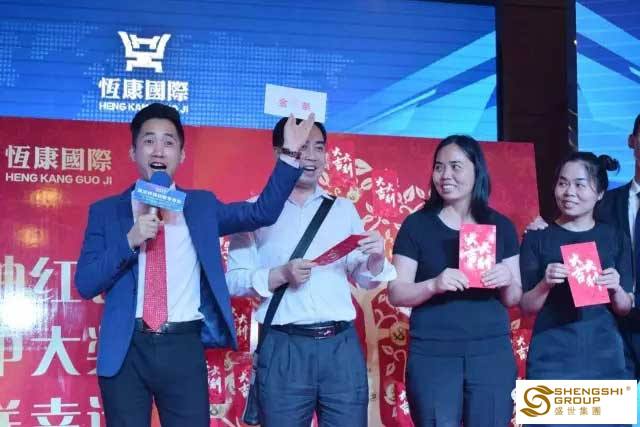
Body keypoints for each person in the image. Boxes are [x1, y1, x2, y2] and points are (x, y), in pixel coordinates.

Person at [74, 103, 315, 427]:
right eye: (149, 140)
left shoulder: (200, 206)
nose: (158, 150)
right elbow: (86, 283)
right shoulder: (106, 211)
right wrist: (129, 240)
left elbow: (261, 213)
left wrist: (289, 155)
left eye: (168, 141)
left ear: (182, 155)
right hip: (126, 348)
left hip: (183, 347)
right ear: (133, 152)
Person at [225, 117, 397, 427]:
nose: (312, 157)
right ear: (280, 153)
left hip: (341, 347)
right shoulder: (253, 211)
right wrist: (280, 274)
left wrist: (375, 259)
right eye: (302, 148)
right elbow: (234, 281)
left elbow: (363, 277)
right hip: (284, 347)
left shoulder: (343, 209)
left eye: (319, 148)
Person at [389, 135, 522, 427]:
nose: (445, 175)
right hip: (433, 354)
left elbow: (514, 298)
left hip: (491, 353)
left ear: (477, 171)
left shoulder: (501, 225)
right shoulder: (417, 225)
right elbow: (396, 292)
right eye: (439, 167)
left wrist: (507, 278)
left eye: (455, 167)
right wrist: (433, 285)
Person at [526, 114, 640, 378]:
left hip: (606, 340)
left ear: (596, 192)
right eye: (563, 183)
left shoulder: (612, 235)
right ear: (632, 141)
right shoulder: (609, 204)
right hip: (591, 344)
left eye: (580, 185)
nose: (570, 192)